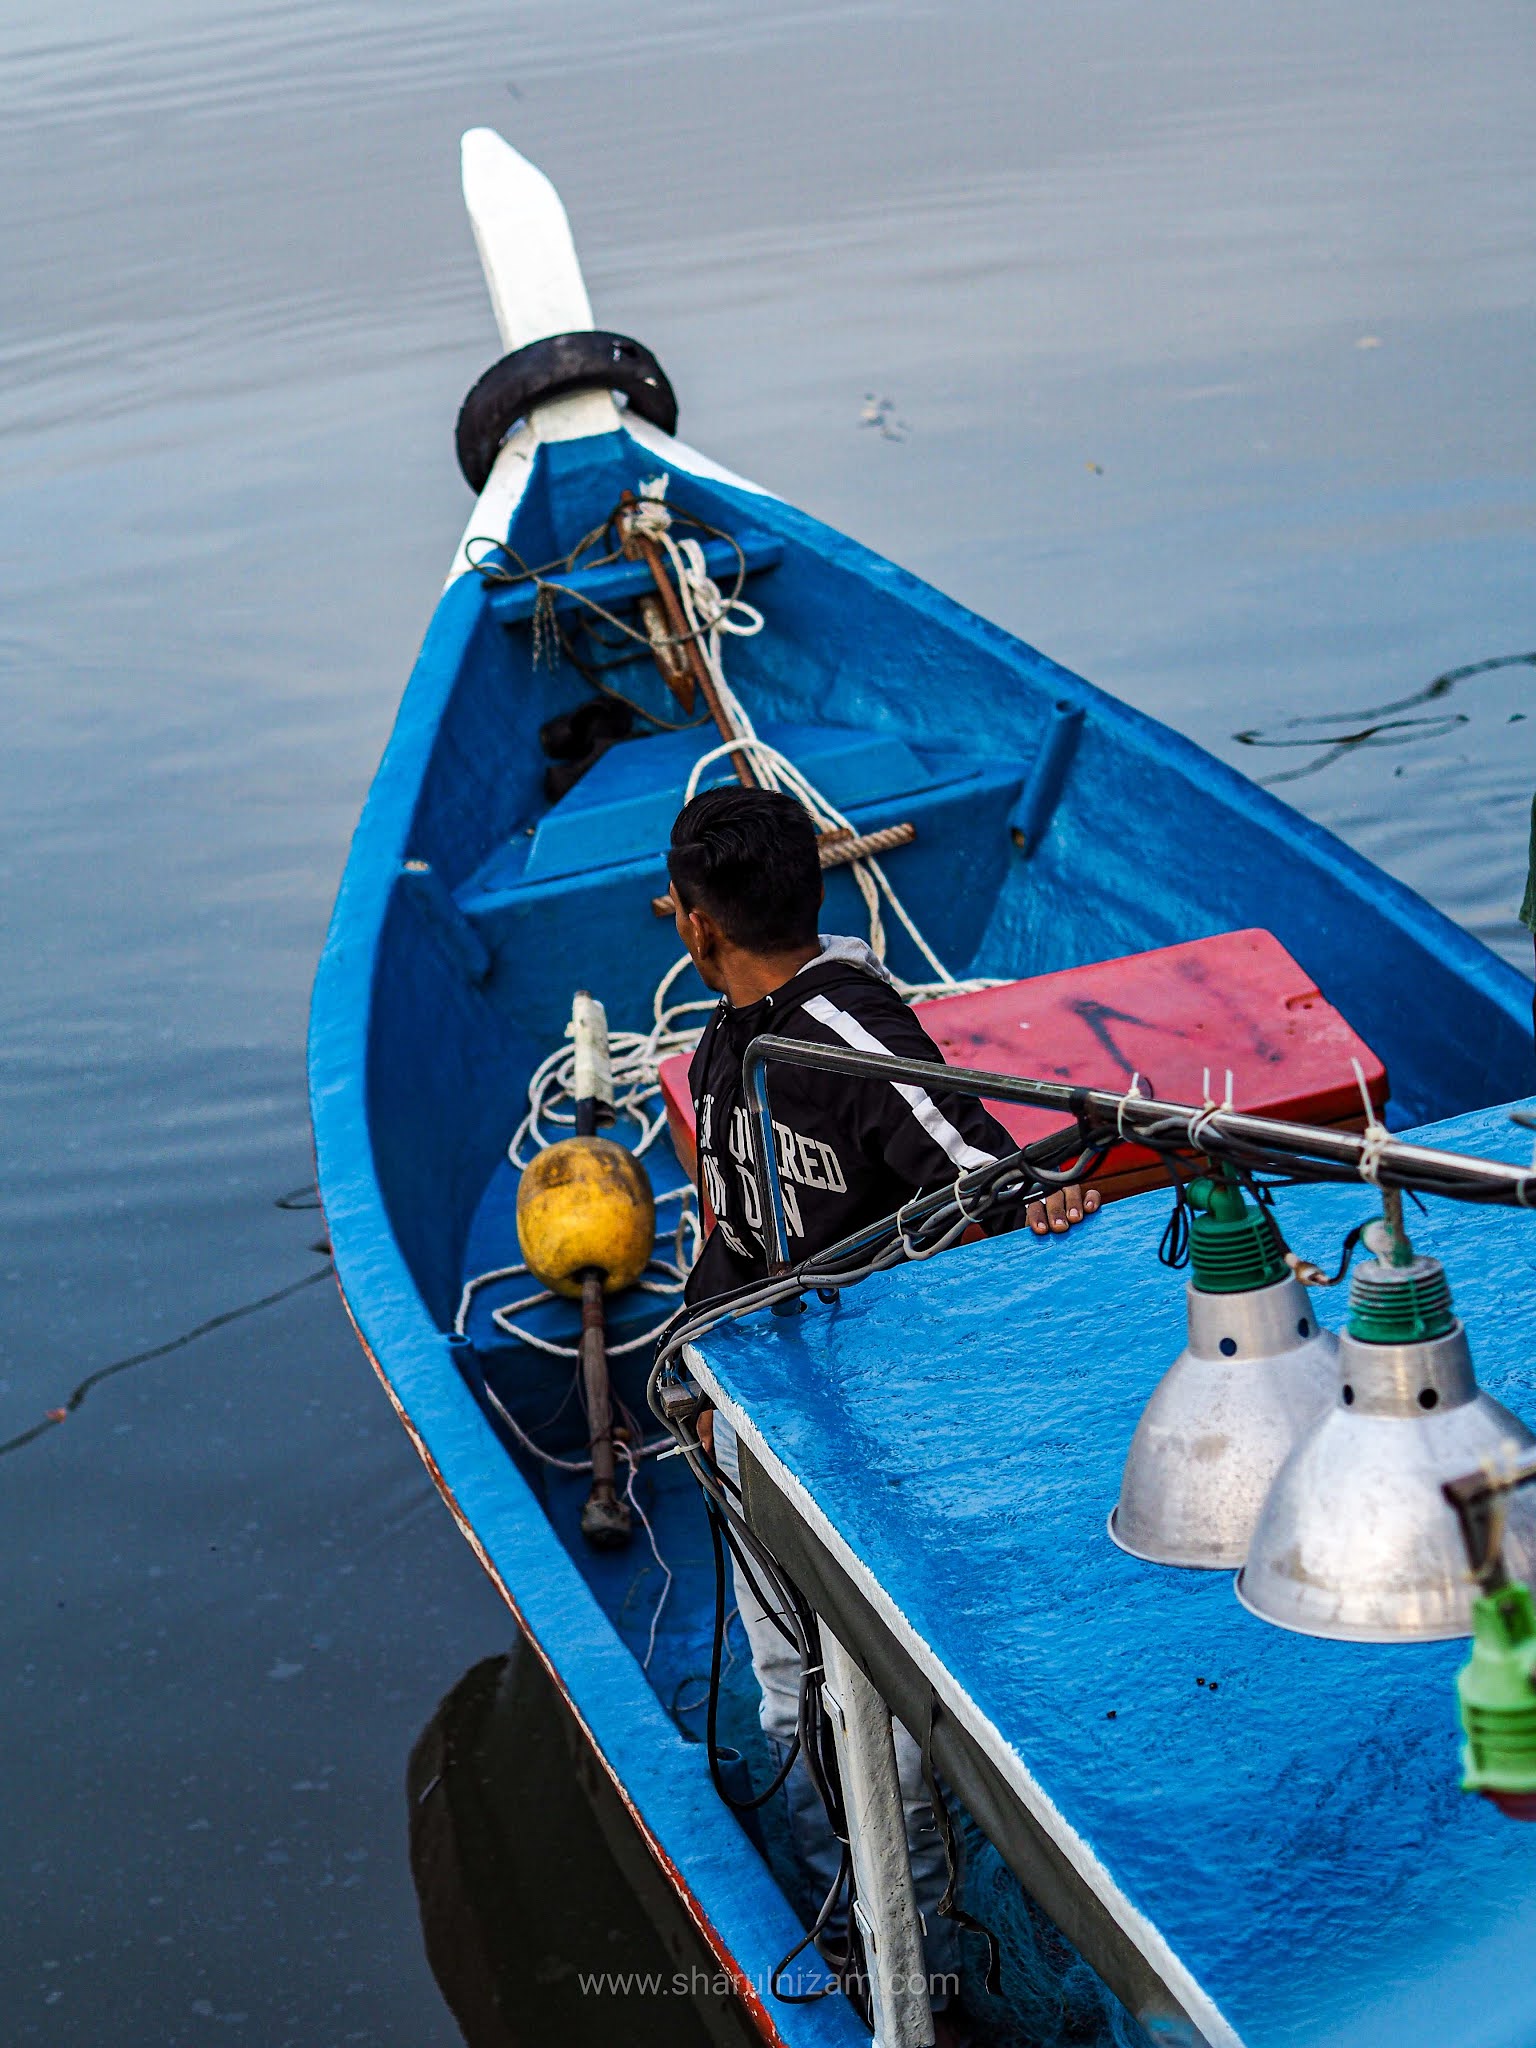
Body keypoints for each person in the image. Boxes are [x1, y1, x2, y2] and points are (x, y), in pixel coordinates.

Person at [666, 785, 1098, 2033]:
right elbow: (734, 1241)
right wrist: (699, 1376)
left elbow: (962, 1163)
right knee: (785, 1688)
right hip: (767, 1417)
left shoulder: (846, 1033)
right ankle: (851, 1911)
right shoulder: (723, 1046)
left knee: (882, 1732)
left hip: (871, 1440)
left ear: (697, 926)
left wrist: (1031, 1197)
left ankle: (924, 1957)